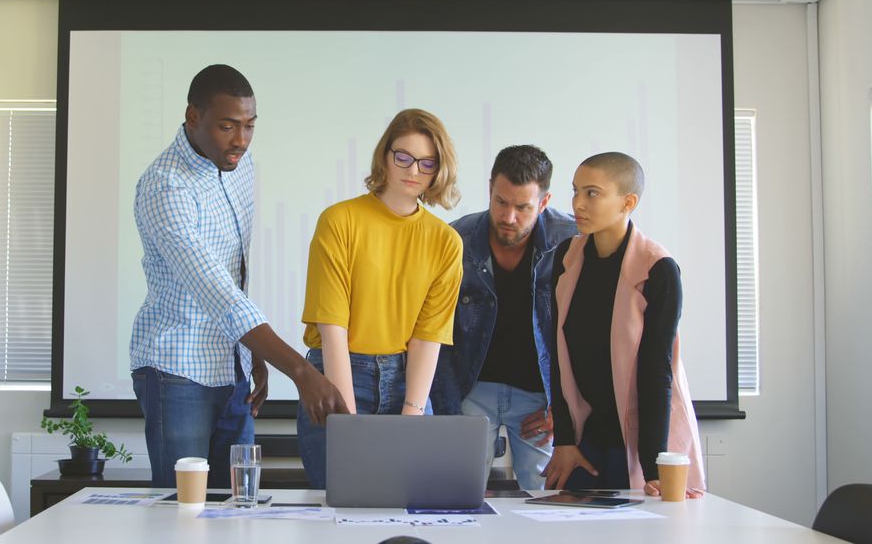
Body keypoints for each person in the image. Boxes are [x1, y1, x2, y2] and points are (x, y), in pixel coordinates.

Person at [130, 64, 347, 489]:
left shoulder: (237, 166)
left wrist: (252, 355)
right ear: (194, 117)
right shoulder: (165, 187)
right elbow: (216, 293)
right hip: (178, 371)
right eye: (228, 127)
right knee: (183, 511)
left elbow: (233, 277)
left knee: (238, 508)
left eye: (249, 126)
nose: (241, 141)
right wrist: (301, 373)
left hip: (233, 370)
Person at [295, 108, 464, 489]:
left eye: (426, 162)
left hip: (409, 379)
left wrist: (413, 413)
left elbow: (429, 334)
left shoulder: (445, 242)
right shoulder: (340, 220)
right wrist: (349, 423)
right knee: (338, 502)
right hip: (338, 376)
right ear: (384, 156)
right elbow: (332, 326)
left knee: (407, 504)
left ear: (439, 170)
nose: (413, 170)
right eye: (402, 156)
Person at [543, 152, 705, 498]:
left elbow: (657, 371)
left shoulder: (658, 268)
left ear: (628, 202)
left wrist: (655, 466)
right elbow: (557, 356)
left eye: (592, 193)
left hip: (640, 440)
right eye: (575, 191)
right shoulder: (566, 258)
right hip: (586, 438)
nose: (577, 204)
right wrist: (565, 440)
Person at [430, 145, 578, 490]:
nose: (509, 217)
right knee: (456, 494)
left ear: (543, 202)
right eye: (501, 202)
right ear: (490, 190)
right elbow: (435, 331)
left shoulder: (572, 241)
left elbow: (586, 333)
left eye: (523, 207)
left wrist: (567, 407)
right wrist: (447, 408)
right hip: (471, 391)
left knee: (546, 501)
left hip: (540, 398)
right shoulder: (456, 240)